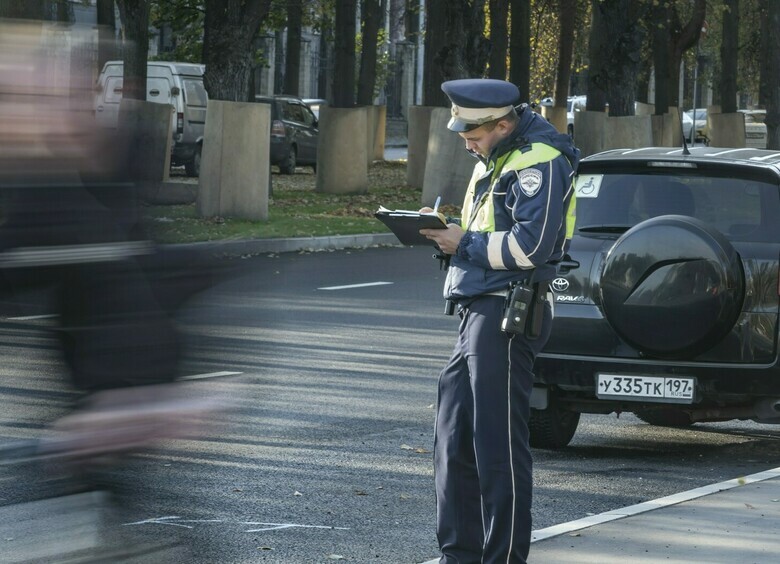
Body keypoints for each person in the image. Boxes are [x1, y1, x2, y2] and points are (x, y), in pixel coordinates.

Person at [419, 78, 579, 563]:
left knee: (498, 448)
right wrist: (444, 234)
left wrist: (460, 242)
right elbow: (487, 234)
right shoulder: (498, 157)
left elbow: (530, 249)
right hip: (479, 310)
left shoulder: (541, 160)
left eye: (474, 133)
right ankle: (459, 556)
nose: (465, 141)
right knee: (452, 438)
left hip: (508, 311)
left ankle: (503, 558)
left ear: (504, 123)